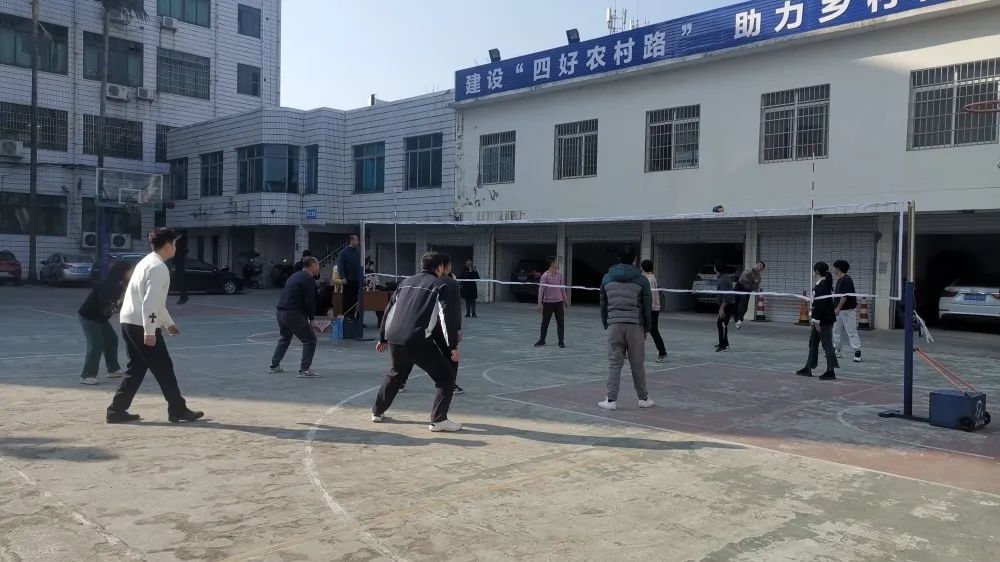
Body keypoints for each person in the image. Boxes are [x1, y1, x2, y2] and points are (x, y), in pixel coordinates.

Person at [106, 228, 203, 424]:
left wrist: (169, 324)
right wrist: (150, 331)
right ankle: (178, 410)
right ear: (167, 246)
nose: (176, 248)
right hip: (141, 324)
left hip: (129, 321)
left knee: (137, 367)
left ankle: (116, 410)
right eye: (174, 244)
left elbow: (155, 302)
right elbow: (150, 302)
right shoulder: (159, 267)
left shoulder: (146, 262)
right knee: (164, 368)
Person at [371, 252, 462, 432]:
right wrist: (452, 346)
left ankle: (377, 412)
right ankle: (439, 420)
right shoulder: (439, 285)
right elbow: (446, 318)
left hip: (395, 337)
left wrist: (383, 337)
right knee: (446, 378)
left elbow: (389, 310)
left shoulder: (405, 282)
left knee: (396, 375)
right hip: (417, 339)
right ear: (440, 267)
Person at [598, 246, 655, 411]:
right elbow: (647, 306)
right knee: (637, 364)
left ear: (618, 258)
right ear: (635, 259)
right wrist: (647, 327)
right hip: (635, 326)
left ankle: (610, 401)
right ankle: (643, 399)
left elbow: (603, 303)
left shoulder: (607, 278)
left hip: (614, 325)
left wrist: (606, 323)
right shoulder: (642, 280)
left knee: (614, 363)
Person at [77, 260, 133, 385]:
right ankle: (87, 376)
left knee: (112, 339)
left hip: (101, 318)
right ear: (122, 272)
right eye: (130, 271)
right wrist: (118, 304)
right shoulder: (107, 286)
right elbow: (104, 305)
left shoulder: (121, 285)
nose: (132, 273)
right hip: (89, 317)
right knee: (96, 345)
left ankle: (113, 370)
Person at [269, 257, 321, 378]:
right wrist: (312, 319)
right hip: (293, 313)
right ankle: (304, 370)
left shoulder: (294, 276)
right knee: (310, 340)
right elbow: (309, 301)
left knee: (285, 337)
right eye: (318, 265)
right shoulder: (308, 279)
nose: (319, 268)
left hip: (281, 312)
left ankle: (274, 365)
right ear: (312, 265)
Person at [797, 262, 840, 380]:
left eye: (813, 270)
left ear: (816, 271)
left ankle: (831, 371)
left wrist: (816, 321)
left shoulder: (823, 284)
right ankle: (808, 367)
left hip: (824, 320)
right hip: (819, 319)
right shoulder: (821, 283)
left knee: (827, 345)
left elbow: (822, 304)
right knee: (813, 342)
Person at [832, 259, 863, 363]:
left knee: (851, 332)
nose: (833, 270)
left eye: (834, 268)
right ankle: (837, 350)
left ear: (838, 269)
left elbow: (844, 297)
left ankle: (857, 352)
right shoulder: (839, 280)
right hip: (838, 311)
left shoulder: (847, 280)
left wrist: (837, 308)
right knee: (836, 331)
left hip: (847, 311)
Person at [535, 257, 568, 348]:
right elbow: (541, 290)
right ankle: (542, 340)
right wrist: (539, 303)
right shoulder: (545, 276)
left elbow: (562, 288)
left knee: (560, 322)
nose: (558, 264)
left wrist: (565, 300)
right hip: (548, 303)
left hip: (559, 302)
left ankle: (561, 341)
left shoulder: (560, 275)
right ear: (552, 264)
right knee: (545, 323)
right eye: (557, 262)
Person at [640, 260, 668, 363]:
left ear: (643, 268)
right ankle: (635, 352)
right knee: (643, 331)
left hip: (652, 310)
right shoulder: (650, 277)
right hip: (652, 309)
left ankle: (663, 354)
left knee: (653, 331)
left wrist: (647, 311)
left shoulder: (650, 279)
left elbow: (650, 297)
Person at [336, 235, 363, 320]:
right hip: (348, 280)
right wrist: (343, 277)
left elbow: (360, 266)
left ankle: (354, 316)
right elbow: (340, 266)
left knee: (356, 299)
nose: (358, 242)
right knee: (348, 299)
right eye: (357, 240)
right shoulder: (343, 253)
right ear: (352, 240)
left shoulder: (358, 253)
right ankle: (347, 316)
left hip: (357, 280)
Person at [734, 261, 765, 329]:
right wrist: (752, 282)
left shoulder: (758, 277)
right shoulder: (748, 271)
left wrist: (755, 288)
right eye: (758, 265)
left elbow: (755, 288)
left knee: (744, 306)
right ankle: (736, 319)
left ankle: (740, 320)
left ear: (762, 270)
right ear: (755, 265)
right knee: (735, 303)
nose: (759, 266)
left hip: (747, 290)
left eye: (761, 266)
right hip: (739, 287)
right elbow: (742, 280)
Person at [715, 261, 737, 352]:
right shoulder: (722, 277)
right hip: (725, 304)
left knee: (722, 324)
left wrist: (722, 308)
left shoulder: (724, 279)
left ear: (716, 268)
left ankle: (723, 345)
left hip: (727, 305)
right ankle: (724, 343)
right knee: (722, 324)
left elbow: (727, 296)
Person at [174, 232, 188, 305]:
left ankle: (183, 297)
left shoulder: (180, 242)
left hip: (180, 263)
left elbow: (185, 251)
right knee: (180, 281)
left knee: (181, 280)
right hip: (178, 263)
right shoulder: (178, 242)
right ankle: (183, 297)